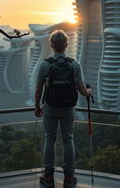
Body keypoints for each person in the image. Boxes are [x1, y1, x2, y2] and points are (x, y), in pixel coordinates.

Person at [34, 30, 92, 188]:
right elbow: (81, 89)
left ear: (51, 45)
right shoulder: (74, 64)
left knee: (49, 139)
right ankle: (69, 176)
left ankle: (48, 176)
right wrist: (89, 92)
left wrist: (37, 106)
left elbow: (38, 88)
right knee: (68, 139)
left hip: (50, 107)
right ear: (66, 45)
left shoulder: (45, 64)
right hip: (68, 108)